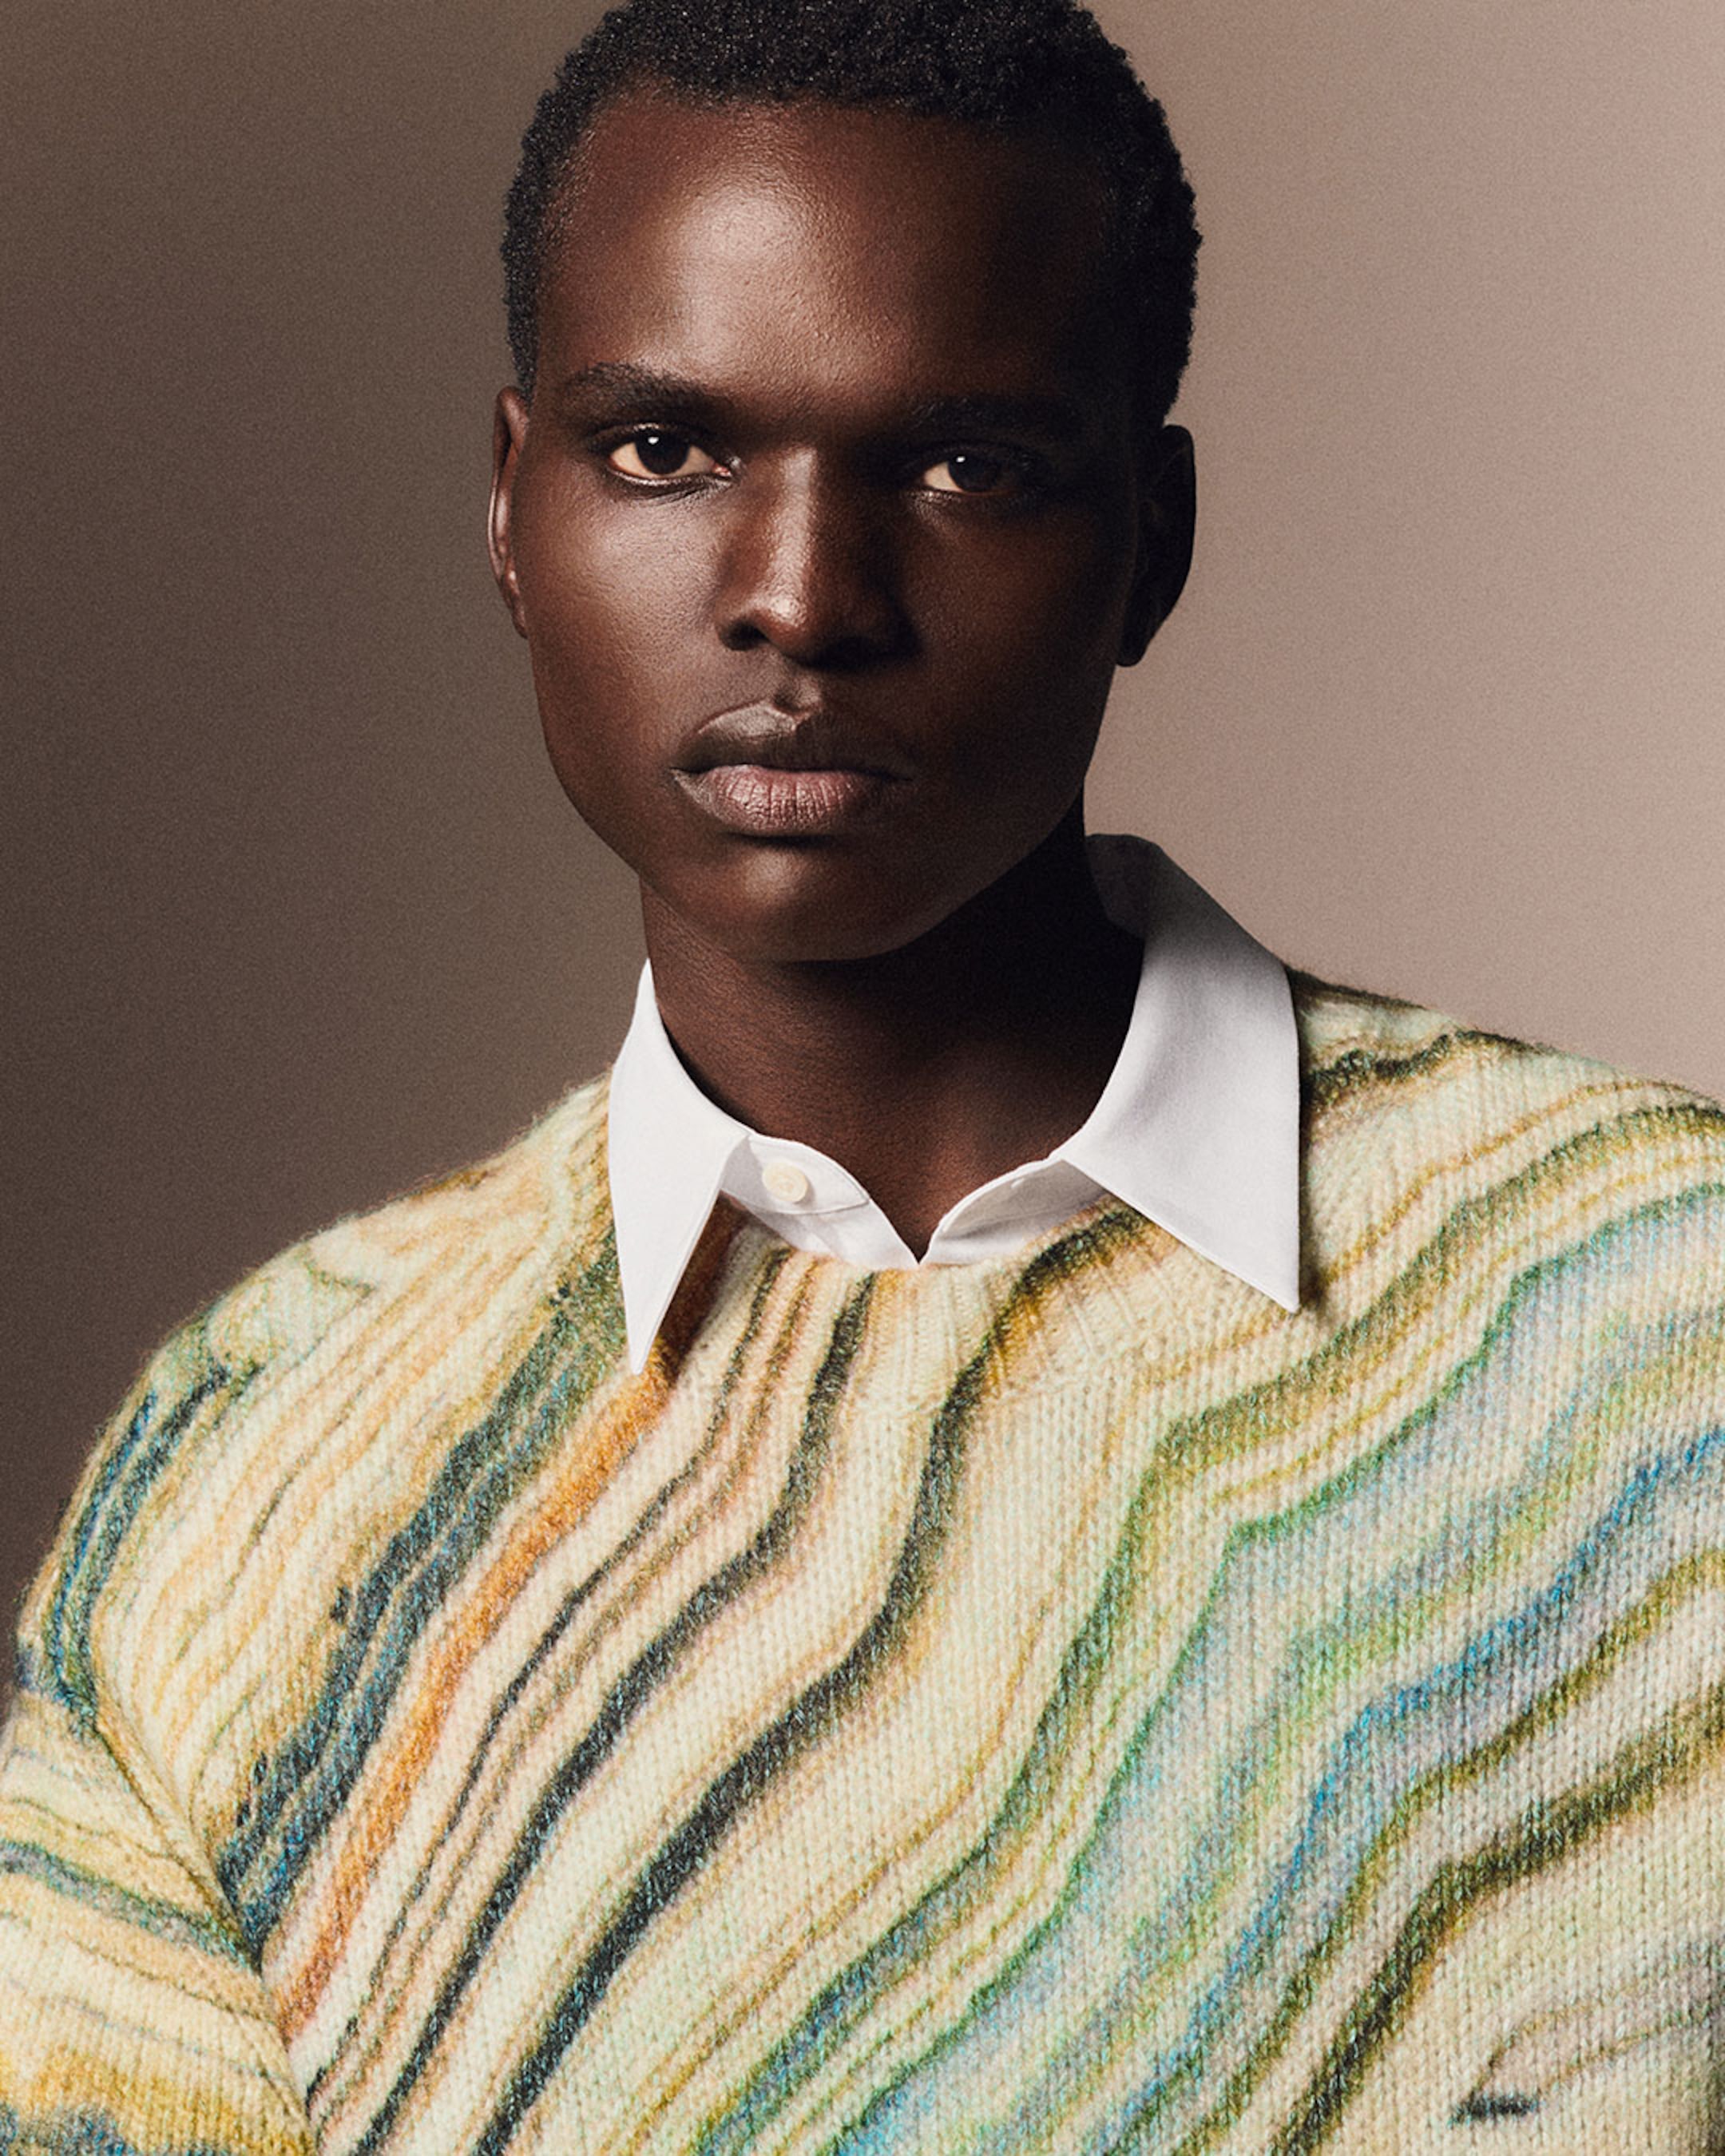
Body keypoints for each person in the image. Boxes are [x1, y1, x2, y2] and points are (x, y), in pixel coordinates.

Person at [2, 0, 1722, 2147]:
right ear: (511, 510)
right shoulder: (248, 1495)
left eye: (966, 462)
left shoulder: (1670, 1332)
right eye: (668, 451)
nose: (802, 598)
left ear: (1150, 544)